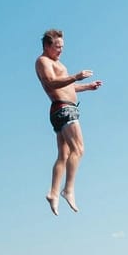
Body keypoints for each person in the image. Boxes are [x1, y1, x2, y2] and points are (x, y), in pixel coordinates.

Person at [36, 29, 102, 215]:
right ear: (47, 46)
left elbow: (67, 87)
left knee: (63, 155)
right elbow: (51, 82)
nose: (60, 51)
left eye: (62, 47)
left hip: (62, 108)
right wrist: (75, 76)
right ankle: (68, 190)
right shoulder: (43, 61)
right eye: (57, 47)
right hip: (64, 109)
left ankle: (53, 193)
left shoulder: (55, 62)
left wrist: (87, 87)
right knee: (79, 149)